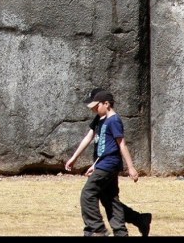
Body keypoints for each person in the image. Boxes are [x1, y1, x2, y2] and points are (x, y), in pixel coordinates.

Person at [65, 88, 152, 237]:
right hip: (103, 163)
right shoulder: (99, 119)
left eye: (96, 106)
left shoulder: (114, 120)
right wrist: (77, 158)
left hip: (109, 164)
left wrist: (131, 167)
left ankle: (96, 229)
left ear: (106, 104)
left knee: (88, 193)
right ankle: (133, 225)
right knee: (110, 200)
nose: (93, 109)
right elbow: (96, 141)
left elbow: (121, 144)